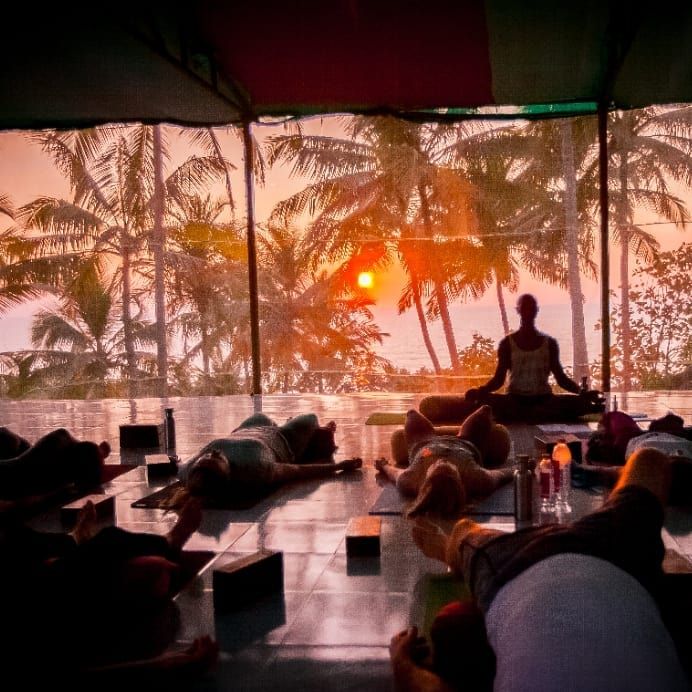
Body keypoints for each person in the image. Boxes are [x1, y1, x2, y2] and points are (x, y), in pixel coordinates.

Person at [391, 447, 692, 691]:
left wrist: (402, 665)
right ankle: (447, 541)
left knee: (650, 460)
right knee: (462, 537)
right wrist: (403, 666)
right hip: (528, 564)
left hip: (524, 566)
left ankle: (446, 542)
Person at [0, 498, 219, 685]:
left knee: (107, 542)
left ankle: (75, 541)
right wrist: (161, 668)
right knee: (109, 542)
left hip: (44, 579)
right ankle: (167, 542)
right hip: (46, 599)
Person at [419, 294, 605, 424]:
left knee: (577, 404)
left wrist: (580, 392)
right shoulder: (507, 344)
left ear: (536, 311)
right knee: (484, 403)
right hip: (514, 400)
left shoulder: (549, 344)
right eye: (525, 308)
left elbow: (561, 379)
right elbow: (499, 379)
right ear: (519, 311)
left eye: (531, 308)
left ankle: (536, 413)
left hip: (544, 400)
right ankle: (535, 415)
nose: (528, 311)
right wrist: (480, 391)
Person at [172, 412, 362, 506]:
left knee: (260, 416)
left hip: (249, 428)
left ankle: (311, 431)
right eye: (216, 459)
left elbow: (178, 465)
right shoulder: (256, 470)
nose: (212, 453)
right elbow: (297, 471)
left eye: (206, 456)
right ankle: (313, 433)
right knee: (310, 418)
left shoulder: (189, 470)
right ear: (227, 472)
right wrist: (338, 466)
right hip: (283, 438)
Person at [375, 405, 513, 518]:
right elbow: (503, 474)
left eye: (437, 466)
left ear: (426, 479)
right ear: (459, 479)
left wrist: (383, 465)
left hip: (425, 445)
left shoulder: (409, 480)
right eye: (448, 466)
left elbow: (393, 472)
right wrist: (525, 467)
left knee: (411, 414)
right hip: (465, 442)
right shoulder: (478, 479)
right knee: (485, 410)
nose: (441, 461)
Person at [0, 426, 111, 501]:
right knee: (12, 442)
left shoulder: (61, 444)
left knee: (13, 441)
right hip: (17, 474)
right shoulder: (52, 457)